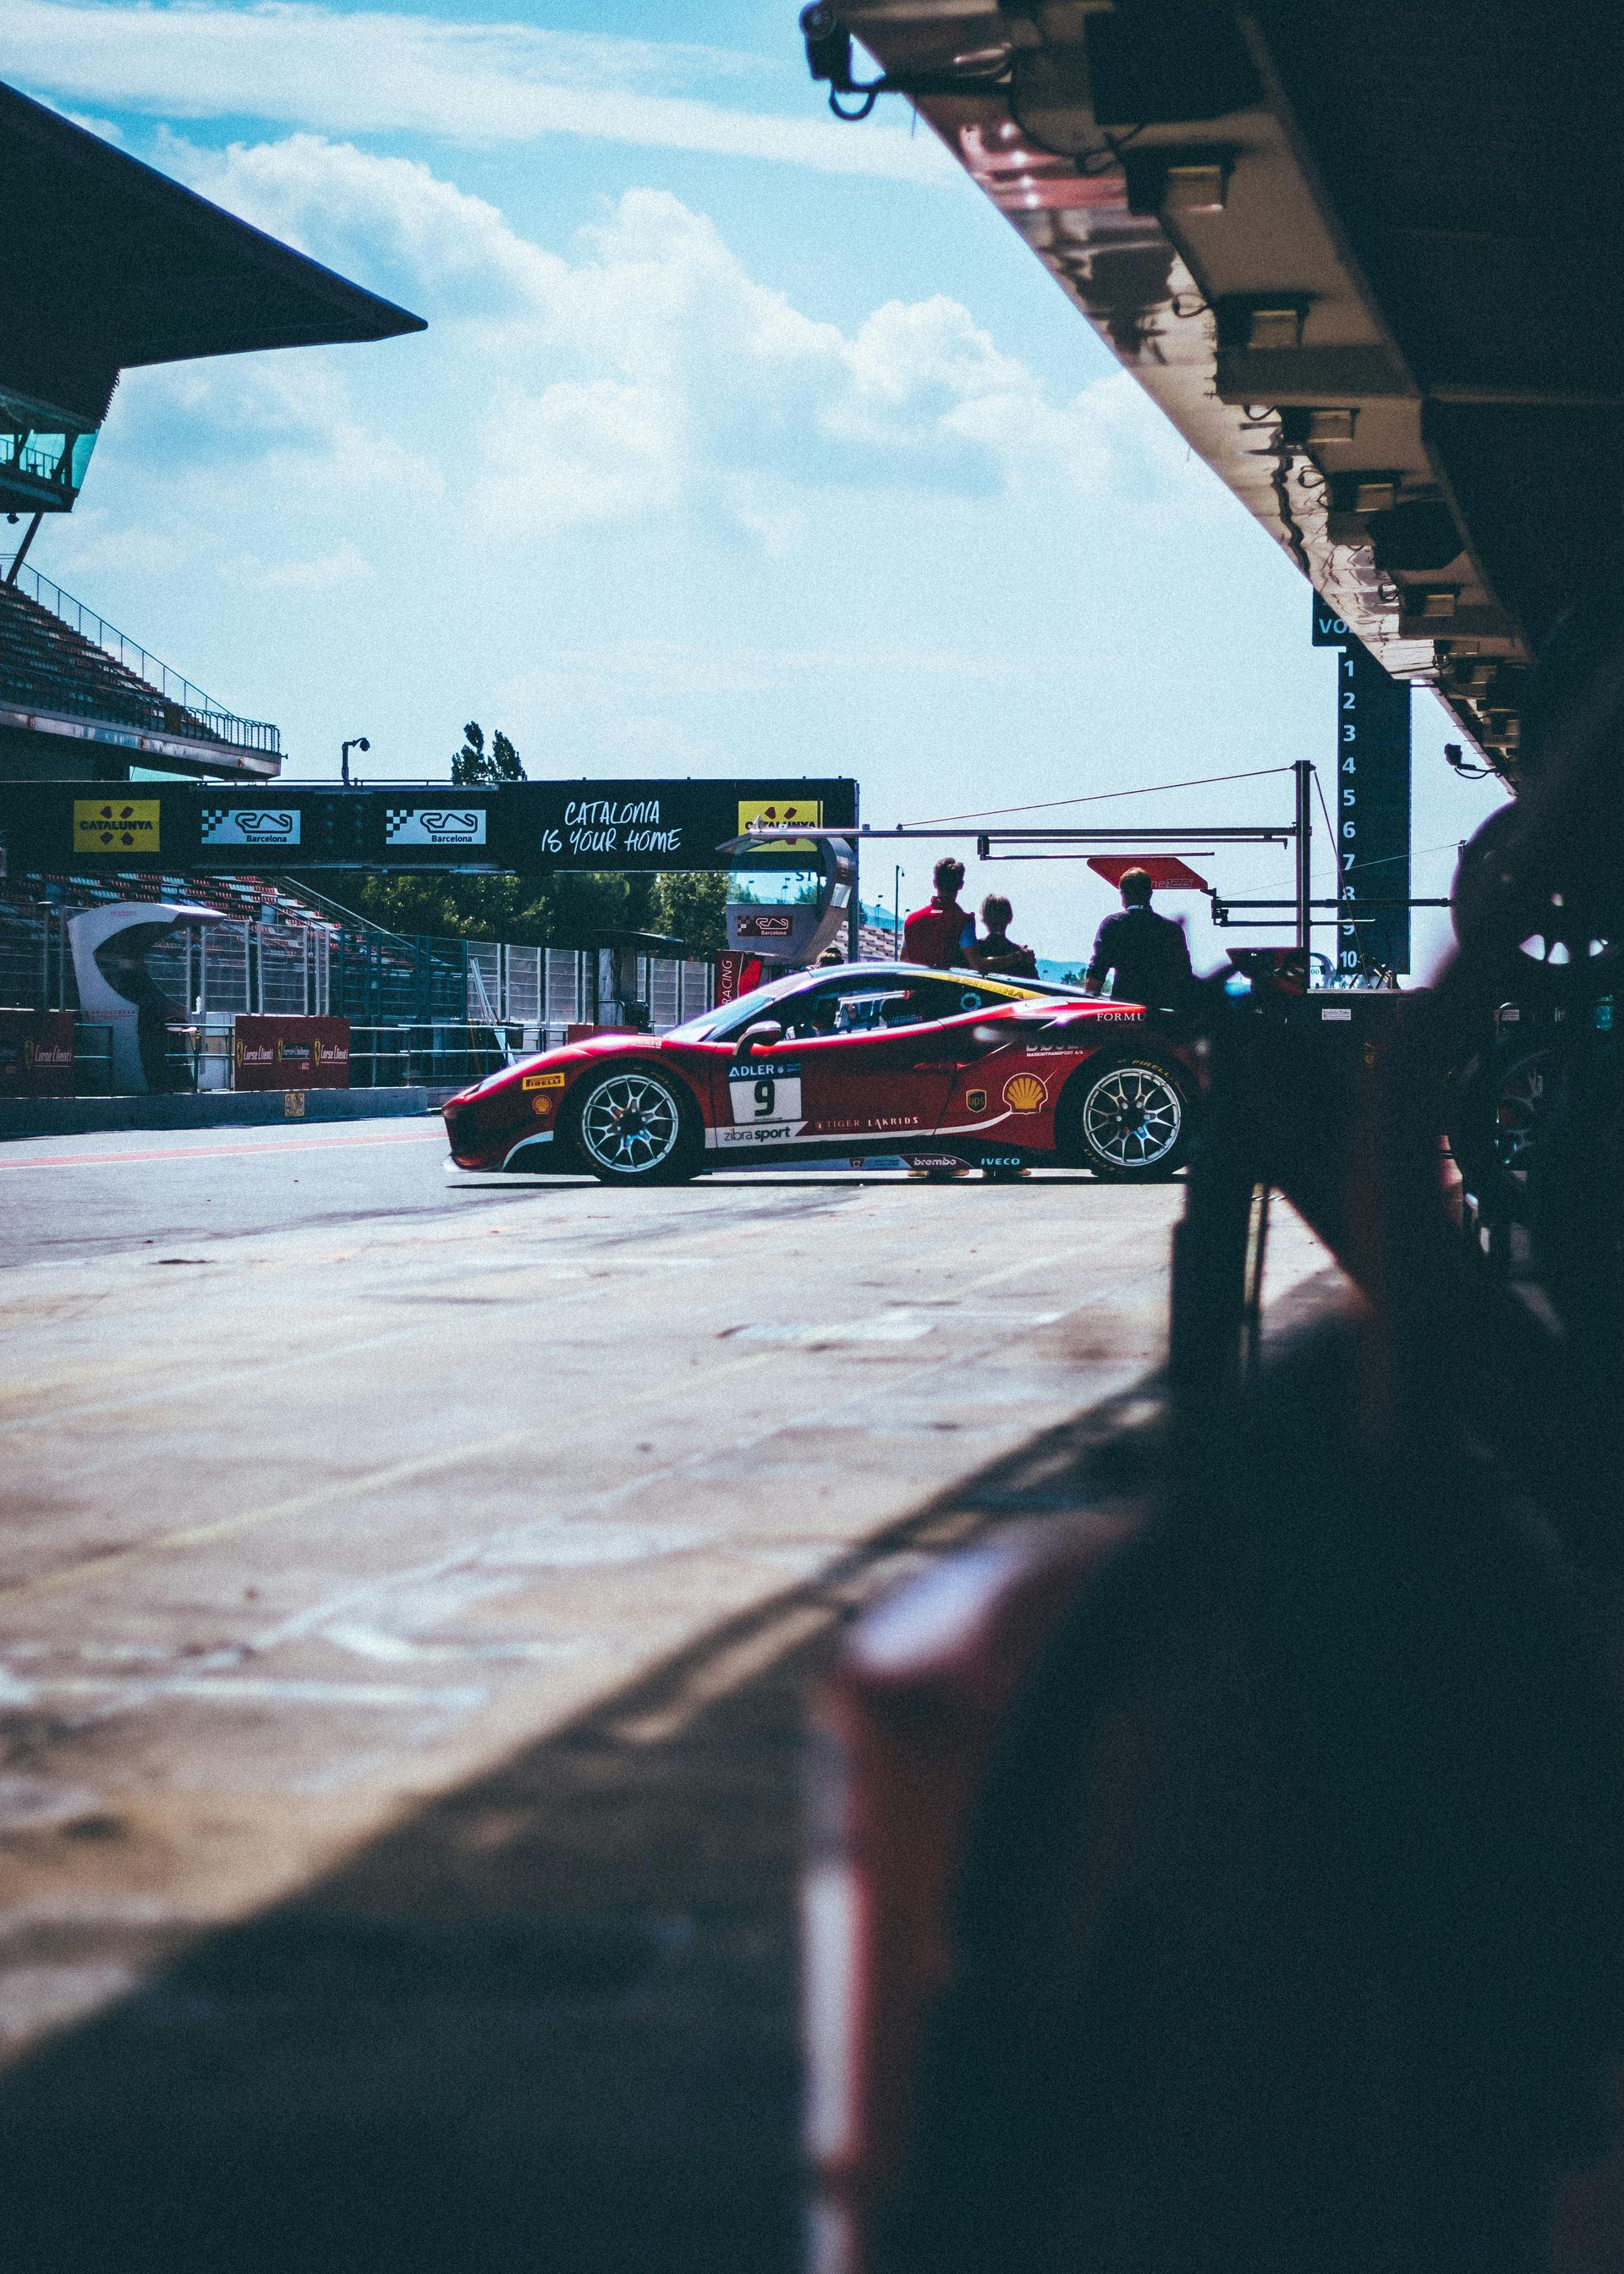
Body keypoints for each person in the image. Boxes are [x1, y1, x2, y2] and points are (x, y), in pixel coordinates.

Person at [1084, 868, 1193, 1008]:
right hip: (1164, 1013)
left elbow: (1097, 973)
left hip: (1125, 1012)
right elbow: (1185, 976)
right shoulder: (1172, 929)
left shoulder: (1113, 924)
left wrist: (1088, 1010)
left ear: (1123, 894)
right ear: (1150, 894)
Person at [903, 858, 975, 969]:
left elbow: (904, 962)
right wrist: (1011, 957)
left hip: (917, 986)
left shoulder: (911, 919)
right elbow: (976, 964)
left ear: (935, 883)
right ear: (961, 885)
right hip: (949, 986)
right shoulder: (964, 921)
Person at [971, 894, 1039, 980]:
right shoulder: (1023, 956)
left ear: (984, 919)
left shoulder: (973, 951)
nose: (997, 919)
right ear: (1010, 918)